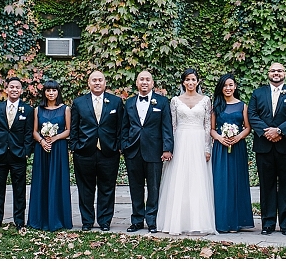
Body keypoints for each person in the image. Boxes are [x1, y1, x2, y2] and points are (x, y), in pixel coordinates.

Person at [157, 68, 216, 235]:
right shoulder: (175, 101)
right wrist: (170, 147)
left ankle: (198, 221)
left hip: (198, 141)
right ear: (183, 82)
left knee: (197, 180)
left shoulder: (205, 100)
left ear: (198, 82)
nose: (190, 83)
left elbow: (207, 126)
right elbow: (172, 125)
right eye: (187, 80)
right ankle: (177, 220)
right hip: (181, 141)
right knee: (179, 180)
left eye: (193, 80)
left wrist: (207, 148)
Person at [247, 62, 286, 236]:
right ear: (268, 73)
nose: (276, 73)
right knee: (266, 186)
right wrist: (267, 133)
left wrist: (279, 131)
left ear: (285, 73)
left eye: (279, 70)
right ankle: (268, 223)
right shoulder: (258, 93)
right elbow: (252, 115)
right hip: (264, 147)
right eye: (273, 70)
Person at [69, 70, 124, 231]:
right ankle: (87, 221)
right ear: (89, 83)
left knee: (107, 188)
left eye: (100, 80)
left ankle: (105, 221)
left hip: (109, 152)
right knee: (85, 188)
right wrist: (75, 147)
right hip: (84, 152)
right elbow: (74, 127)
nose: (97, 83)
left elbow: (121, 127)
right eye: (94, 80)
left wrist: (118, 147)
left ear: (105, 83)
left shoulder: (115, 102)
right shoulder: (79, 103)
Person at [121, 70, 174, 233]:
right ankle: (137, 220)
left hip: (154, 151)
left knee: (154, 187)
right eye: (141, 79)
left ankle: (152, 220)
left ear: (152, 83)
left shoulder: (163, 102)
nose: (144, 82)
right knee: (135, 187)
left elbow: (167, 127)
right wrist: (124, 146)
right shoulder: (129, 103)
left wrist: (167, 148)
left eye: (148, 79)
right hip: (133, 151)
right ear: (137, 83)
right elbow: (124, 127)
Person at [0, 76, 35, 232]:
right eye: (11, 87)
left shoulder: (27, 110)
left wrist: (26, 152)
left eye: (17, 87)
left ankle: (19, 220)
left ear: (21, 90)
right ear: (6, 89)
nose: (14, 89)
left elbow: (29, 134)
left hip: (18, 155)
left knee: (19, 190)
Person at [210, 73, 254, 233]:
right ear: (221, 88)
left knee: (237, 181)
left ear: (235, 86)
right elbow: (212, 129)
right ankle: (221, 221)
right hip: (221, 148)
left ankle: (236, 221)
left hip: (237, 148)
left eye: (230, 85)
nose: (228, 88)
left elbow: (248, 127)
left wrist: (238, 137)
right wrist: (221, 139)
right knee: (220, 182)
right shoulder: (216, 105)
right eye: (225, 85)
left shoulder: (243, 105)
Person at [28, 80, 73, 231]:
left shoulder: (65, 109)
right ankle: (39, 219)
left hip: (59, 149)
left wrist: (54, 138)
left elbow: (68, 130)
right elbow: (34, 131)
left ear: (58, 92)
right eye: (48, 90)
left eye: (54, 90)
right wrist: (42, 141)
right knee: (42, 181)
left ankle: (58, 219)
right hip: (42, 149)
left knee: (57, 181)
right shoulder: (37, 110)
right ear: (44, 92)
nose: (51, 93)